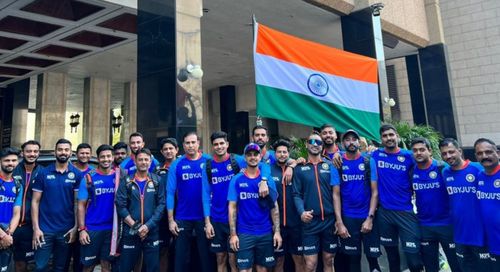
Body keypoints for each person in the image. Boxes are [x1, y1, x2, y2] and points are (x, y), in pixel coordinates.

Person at [370, 124, 423, 272]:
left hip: (405, 212)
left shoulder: (409, 156)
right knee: (392, 258)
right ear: (381, 139)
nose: (389, 138)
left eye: (391, 135)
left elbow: (428, 164)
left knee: (414, 261)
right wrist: (337, 155)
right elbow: (354, 155)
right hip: (385, 213)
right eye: (385, 136)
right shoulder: (375, 155)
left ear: (397, 136)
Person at [228, 143, 282, 272]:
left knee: (262, 269)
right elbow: (232, 208)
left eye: (255, 154)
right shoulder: (237, 179)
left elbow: (274, 207)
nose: (253, 157)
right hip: (245, 233)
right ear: (245, 157)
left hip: (265, 232)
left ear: (260, 156)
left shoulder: (267, 180)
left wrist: (277, 232)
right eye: (249, 155)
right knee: (244, 270)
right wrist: (233, 234)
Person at [32, 138, 83, 271]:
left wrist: (75, 228)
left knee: (60, 268)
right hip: (44, 230)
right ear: (55, 152)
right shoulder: (43, 173)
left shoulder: (77, 175)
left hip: (66, 231)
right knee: (40, 266)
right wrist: (36, 228)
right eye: (60, 149)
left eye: (66, 150)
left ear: (71, 153)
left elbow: (78, 203)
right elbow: (35, 201)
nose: (63, 152)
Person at [333, 130, 381, 272]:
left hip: (367, 217)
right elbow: (335, 195)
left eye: (354, 139)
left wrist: (370, 218)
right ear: (342, 144)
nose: (351, 142)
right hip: (348, 219)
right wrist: (340, 223)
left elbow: (375, 192)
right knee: (353, 261)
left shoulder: (368, 161)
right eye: (347, 140)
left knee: (373, 260)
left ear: (359, 142)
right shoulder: (337, 163)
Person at [410, 137, 460, 272]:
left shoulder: (442, 168)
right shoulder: (411, 172)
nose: (418, 153)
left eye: (422, 149)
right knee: (431, 267)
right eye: (415, 150)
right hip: (425, 226)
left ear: (430, 151)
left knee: (456, 265)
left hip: (447, 225)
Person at [440, 138, 490, 271]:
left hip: (481, 234)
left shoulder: (478, 168)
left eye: (451, 152)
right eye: (444, 153)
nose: (448, 156)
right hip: (459, 234)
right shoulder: (445, 173)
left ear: (459, 151)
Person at [293, 132, 340, 272]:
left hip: (329, 221)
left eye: (318, 142)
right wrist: (301, 212)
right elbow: (296, 194)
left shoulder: (331, 166)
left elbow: (336, 194)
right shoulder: (299, 168)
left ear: (322, 146)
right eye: (312, 142)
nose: (315, 145)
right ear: (307, 144)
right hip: (310, 223)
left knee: (329, 260)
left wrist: (338, 220)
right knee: (310, 264)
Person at [167, 131, 212, 272]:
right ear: (183, 145)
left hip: (205, 218)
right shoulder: (176, 164)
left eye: (193, 142)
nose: (191, 145)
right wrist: (171, 220)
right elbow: (170, 193)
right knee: (180, 258)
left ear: (198, 143)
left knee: (206, 257)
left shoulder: (208, 160)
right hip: (182, 217)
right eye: (187, 143)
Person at [115, 148, 165, 272]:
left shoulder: (157, 180)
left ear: (150, 161)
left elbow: (161, 205)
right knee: (125, 268)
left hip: (151, 232)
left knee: (153, 268)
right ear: (135, 162)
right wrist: (136, 227)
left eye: (146, 160)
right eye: (140, 159)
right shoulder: (126, 181)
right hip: (130, 232)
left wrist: (148, 226)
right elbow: (120, 206)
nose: (143, 162)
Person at [77, 145, 121, 272]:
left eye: (108, 156)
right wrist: (82, 230)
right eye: (102, 157)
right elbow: (80, 206)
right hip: (92, 229)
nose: (106, 159)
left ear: (112, 158)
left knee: (106, 265)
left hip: (112, 229)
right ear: (98, 158)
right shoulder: (88, 178)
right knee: (88, 266)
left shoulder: (119, 177)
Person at [270, 139, 304, 272]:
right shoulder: (269, 170)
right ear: (275, 154)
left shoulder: (297, 169)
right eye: (279, 152)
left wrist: (293, 165)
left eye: (284, 152)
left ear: (289, 153)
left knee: (299, 260)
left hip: (296, 224)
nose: (282, 154)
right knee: (278, 261)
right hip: (278, 226)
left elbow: (303, 161)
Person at [12, 140, 43, 272]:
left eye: (35, 151)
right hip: (9, 224)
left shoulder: (43, 172)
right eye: (29, 151)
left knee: (23, 263)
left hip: (29, 225)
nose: (32, 154)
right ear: (22, 153)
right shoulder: (13, 169)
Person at [474, 138, 500, 271]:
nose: (484, 156)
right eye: (480, 153)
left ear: (498, 153)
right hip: (492, 243)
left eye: (488, 152)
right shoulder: (479, 176)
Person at [156, 137, 179, 272]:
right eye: (165, 149)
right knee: (163, 250)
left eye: (171, 148)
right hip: (163, 215)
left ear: (176, 150)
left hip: (182, 213)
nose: (168, 151)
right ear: (161, 152)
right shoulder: (157, 170)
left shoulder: (182, 165)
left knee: (181, 251)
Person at [0, 148, 23, 272]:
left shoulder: (18, 184)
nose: (10, 163)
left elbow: (16, 213)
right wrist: (2, 235)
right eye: (7, 160)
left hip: (7, 234)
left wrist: (8, 235)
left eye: (14, 160)